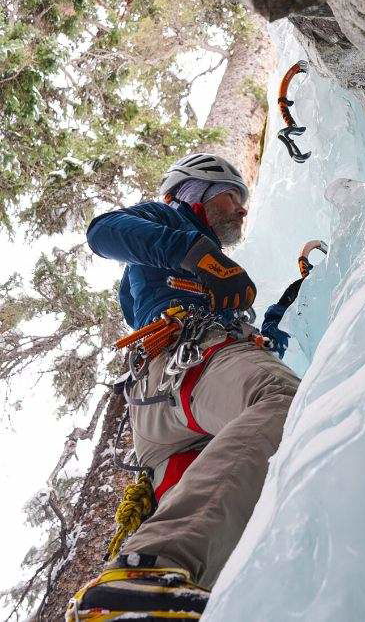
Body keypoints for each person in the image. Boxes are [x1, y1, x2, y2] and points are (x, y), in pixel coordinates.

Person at [67, 153, 300, 621]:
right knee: (287, 403)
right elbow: (103, 232)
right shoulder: (165, 221)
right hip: (188, 369)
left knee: (212, 545)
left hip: (163, 410)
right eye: (234, 195)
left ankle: (139, 590)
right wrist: (197, 255)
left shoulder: (204, 274)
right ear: (196, 193)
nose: (242, 210)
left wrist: (277, 314)